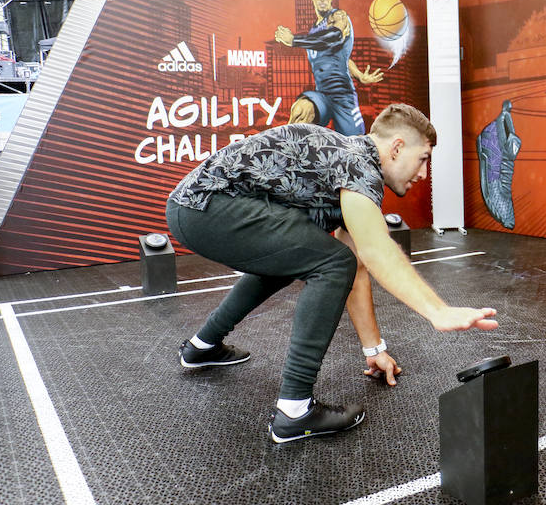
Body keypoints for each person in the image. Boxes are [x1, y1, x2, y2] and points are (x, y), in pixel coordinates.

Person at [166, 103, 498, 443]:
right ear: (397, 147)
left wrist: (375, 351)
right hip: (205, 209)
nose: (423, 174)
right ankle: (294, 410)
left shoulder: (346, 163)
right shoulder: (358, 168)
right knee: (330, 262)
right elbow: (375, 250)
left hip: (193, 209)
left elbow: (356, 268)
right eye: (423, 158)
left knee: (305, 258)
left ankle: (202, 346)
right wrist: (437, 311)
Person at [274, 0, 383, 136]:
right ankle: (284, 151)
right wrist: (359, 75)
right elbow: (340, 56)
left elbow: (334, 37)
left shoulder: (339, 17)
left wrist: (294, 40)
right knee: (301, 110)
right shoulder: (313, 31)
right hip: (322, 96)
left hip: (343, 97)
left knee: (355, 146)